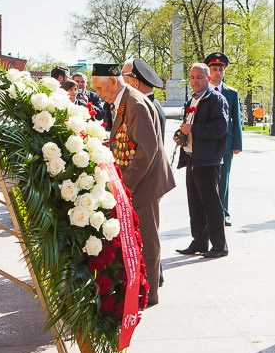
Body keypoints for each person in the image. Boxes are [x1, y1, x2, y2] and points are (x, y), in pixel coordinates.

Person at [92, 64, 175, 303]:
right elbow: (125, 140)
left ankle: (150, 294)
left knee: (147, 240)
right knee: (142, 238)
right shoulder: (124, 99)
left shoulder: (135, 103)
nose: (98, 92)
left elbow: (145, 152)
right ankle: (141, 288)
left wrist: (124, 187)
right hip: (141, 181)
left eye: (99, 87)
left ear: (112, 82)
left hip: (145, 184)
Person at [174, 63, 229, 259]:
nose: (195, 81)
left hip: (208, 160)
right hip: (192, 158)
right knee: (195, 203)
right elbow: (188, 125)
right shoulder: (193, 100)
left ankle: (220, 245)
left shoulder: (216, 99)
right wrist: (180, 135)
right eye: (192, 77)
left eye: (199, 77)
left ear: (208, 77)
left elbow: (220, 128)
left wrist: (194, 130)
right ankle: (199, 241)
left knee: (211, 204)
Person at [205, 52, 243, 227]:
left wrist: (237, 144)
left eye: (221, 68)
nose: (218, 71)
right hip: (207, 142)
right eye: (214, 68)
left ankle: (223, 212)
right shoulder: (202, 92)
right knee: (208, 179)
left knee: (223, 179)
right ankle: (209, 212)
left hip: (226, 144)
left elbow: (236, 119)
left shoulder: (232, 93)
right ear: (209, 71)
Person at [122, 58, 167, 137]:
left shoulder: (145, 108)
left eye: (129, 82)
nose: (127, 85)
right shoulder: (152, 103)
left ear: (136, 84)